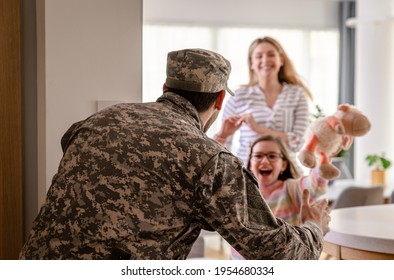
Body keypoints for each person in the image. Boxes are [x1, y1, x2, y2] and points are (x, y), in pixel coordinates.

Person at [19, 48, 330, 260]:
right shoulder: (210, 160)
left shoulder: (101, 119)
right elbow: (276, 253)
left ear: (166, 86)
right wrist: (314, 227)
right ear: (220, 99)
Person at [214, 36, 312, 172]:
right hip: (247, 174)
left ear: (281, 60)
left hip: (287, 174)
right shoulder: (239, 95)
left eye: (271, 55)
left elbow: (298, 143)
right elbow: (225, 144)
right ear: (252, 63)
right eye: (259, 56)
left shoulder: (297, 94)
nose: (265, 60)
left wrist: (259, 129)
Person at [229, 135, 328, 259]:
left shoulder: (291, 188)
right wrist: (222, 135)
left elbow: (314, 184)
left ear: (283, 165)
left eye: (272, 156)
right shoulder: (239, 191)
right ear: (250, 163)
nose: (264, 161)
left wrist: (322, 161)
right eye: (258, 156)